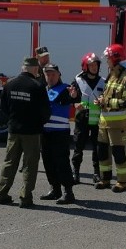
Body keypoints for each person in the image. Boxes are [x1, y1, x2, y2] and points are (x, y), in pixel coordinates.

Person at [0, 57, 51, 208]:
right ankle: (25, 198)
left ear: (23, 68)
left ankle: (2, 193)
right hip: (31, 132)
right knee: (30, 164)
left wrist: (12, 121)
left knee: (9, 161)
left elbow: (2, 109)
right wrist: (39, 123)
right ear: (35, 69)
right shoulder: (38, 86)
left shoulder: (10, 84)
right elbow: (46, 112)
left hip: (13, 130)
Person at [94, 44, 126, 193]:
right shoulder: (111, 75)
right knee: (102, 152)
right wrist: (100, 100)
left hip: (117, 124)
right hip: (104, 123)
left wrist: (107, 102)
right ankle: (105, 179)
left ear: (115, 58)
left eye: (108, 58)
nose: (106, 61)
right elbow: (107, 96)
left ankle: (122, 182)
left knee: (119, 153)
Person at [39, 64, 79, 204]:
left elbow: (73, 97)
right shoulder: (43, 90)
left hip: (60, 133)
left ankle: (68, 192)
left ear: (59, 75)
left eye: (53, 74)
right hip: (45, 133)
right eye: (48, 74)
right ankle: (55, 190)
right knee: (48, 162)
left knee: (61, 162)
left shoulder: (65, 89)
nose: (50, 77)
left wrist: (74, 96)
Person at [70, 52, 105, 184]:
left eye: (96, 64)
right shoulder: (78, 80)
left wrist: (103, 100)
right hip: (82, 120)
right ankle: (76, 172)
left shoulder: (103, 81)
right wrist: (74, 102)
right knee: (78, 147)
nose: (94, 67)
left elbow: (106, 99)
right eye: (92, 65)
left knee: (97, 148)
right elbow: (71, 97)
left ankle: (96, 173)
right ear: (86, 66)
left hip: (97, 121)